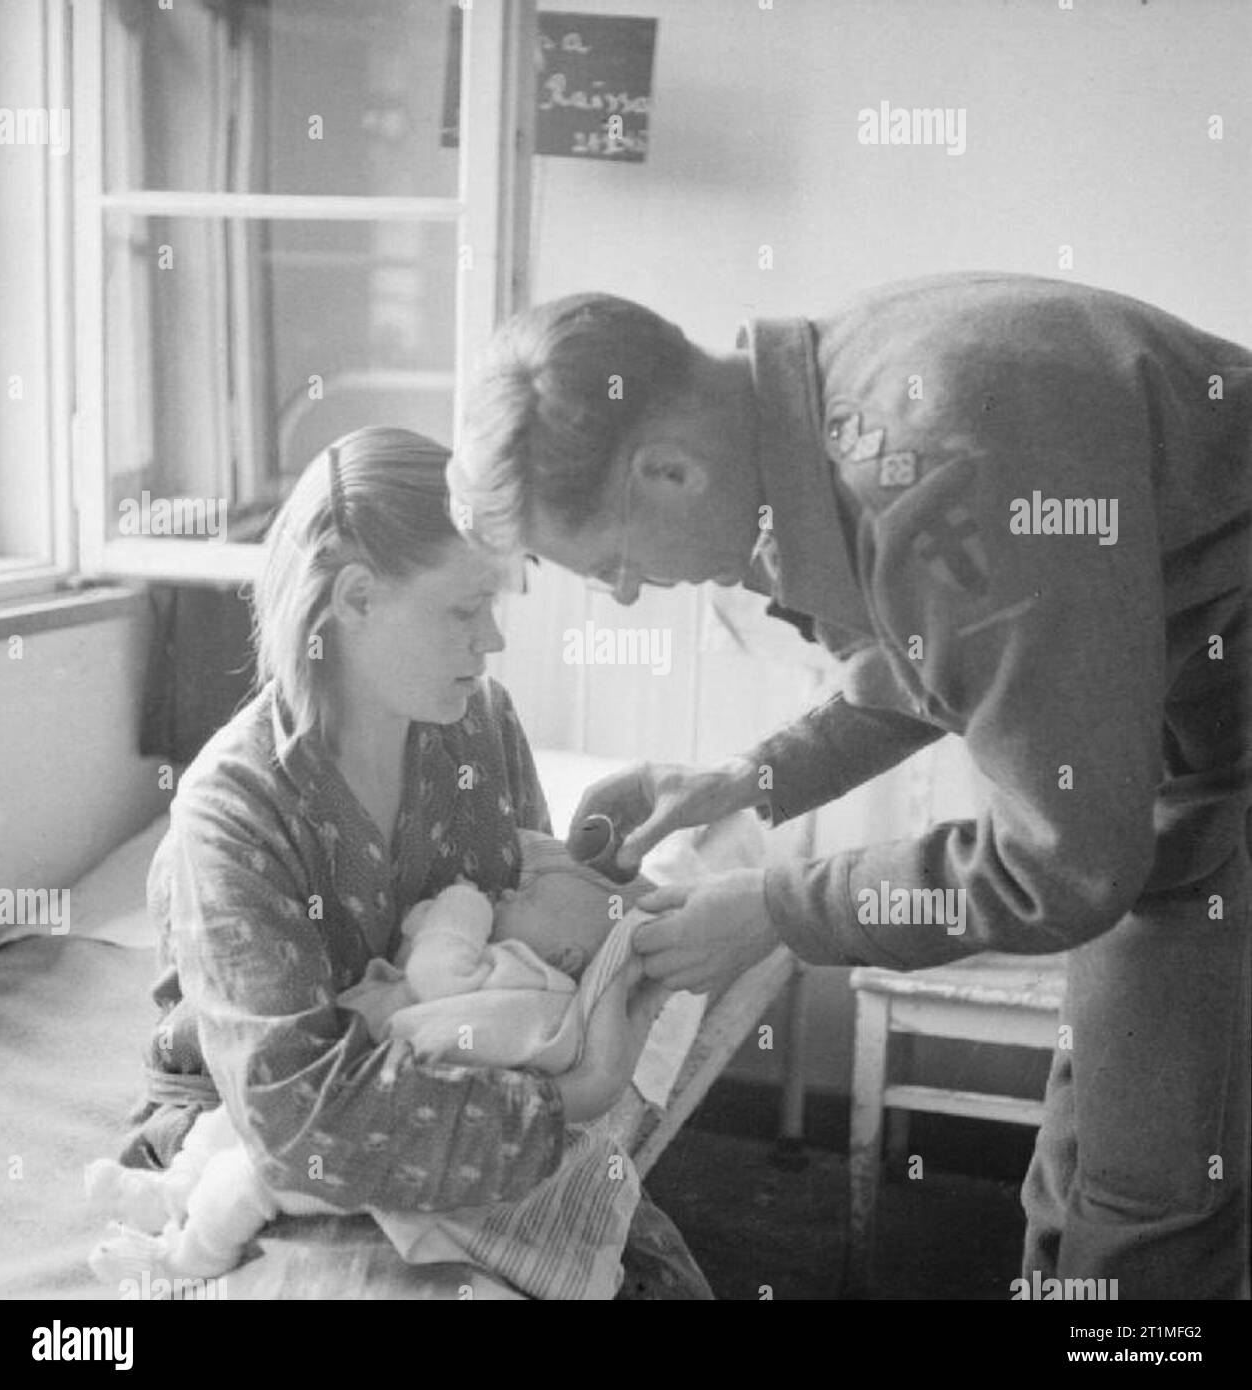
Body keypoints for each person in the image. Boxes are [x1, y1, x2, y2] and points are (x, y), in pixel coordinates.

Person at [446, 275, 1252, 1300]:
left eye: (610, 559)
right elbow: (950, 656)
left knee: (1154, 1208)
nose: (626, 589)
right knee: (1083, 1165)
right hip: (1182, 728)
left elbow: (1068, 867)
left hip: (1205, 760)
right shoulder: (838, 400)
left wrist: (782, 911)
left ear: (668, 470)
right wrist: (751, 778)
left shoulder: (947, 479)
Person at [118, 424, 712, 1300]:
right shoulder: (235, 808)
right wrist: (575, 1097)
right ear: (355, 599)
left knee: (652, 1283)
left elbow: (531, 962)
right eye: (465, 610)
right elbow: (296, 1119)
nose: (494, 640)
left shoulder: (478, 726)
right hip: (251, 1128)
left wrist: (624, 902)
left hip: (461, 1087)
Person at [89, 834, 661, 1299]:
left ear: (566, 957)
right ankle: (171, 1192)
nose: (507, 894)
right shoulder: (518, 977)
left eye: (529, 898)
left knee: (256, 1172)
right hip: (355, 1091)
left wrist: (462, 908)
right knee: (233, 1119)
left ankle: (184, 1261)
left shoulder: (536, 991)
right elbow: (420, 964)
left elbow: (436, 973)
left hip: (393, 1136)